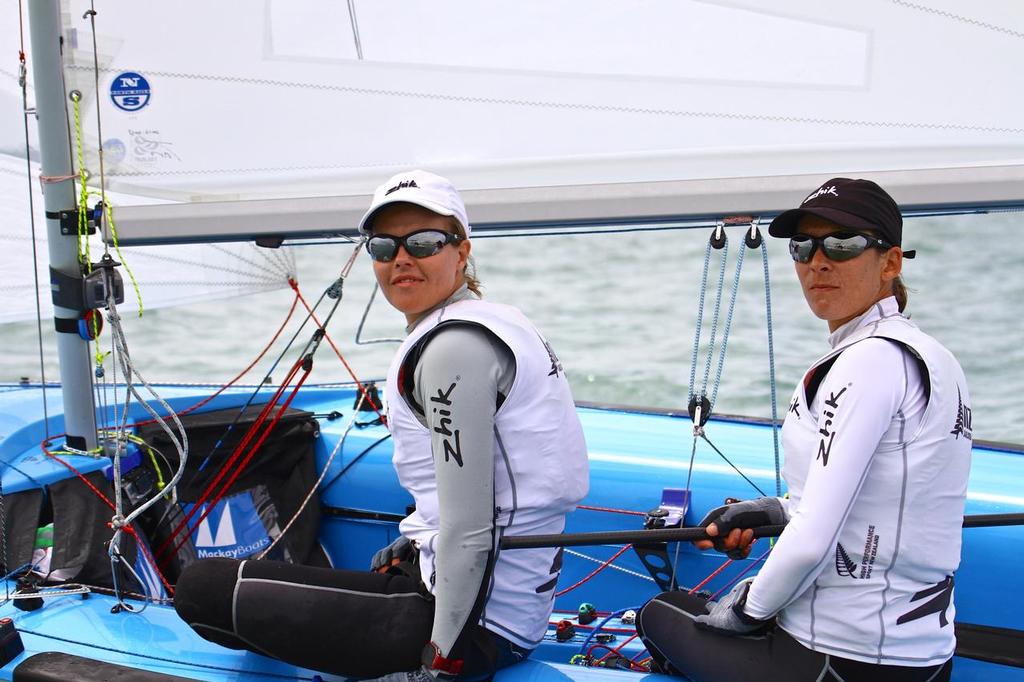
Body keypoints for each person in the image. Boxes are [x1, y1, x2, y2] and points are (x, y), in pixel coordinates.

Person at [174, 170, 589, 681]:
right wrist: (416, 545)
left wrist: (441, 665)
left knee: (200, 589)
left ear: (462, 252)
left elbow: (471, 530)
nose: (402, 258)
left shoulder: (452, 349)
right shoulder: (493, 321)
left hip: (471, 627)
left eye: (424, 242)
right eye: (384, 246)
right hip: (496, 606)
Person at [636, 178, 972, 681]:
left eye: (842, 244)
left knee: (659, 613)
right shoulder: (931, 356)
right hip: (920, 660)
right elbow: (872, 496)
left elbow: (814, 539)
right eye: (803, 247)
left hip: (836, 660)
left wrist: (748, 609)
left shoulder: (870, 362)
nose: (818, 261)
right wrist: (773, 509)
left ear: (891, 262)